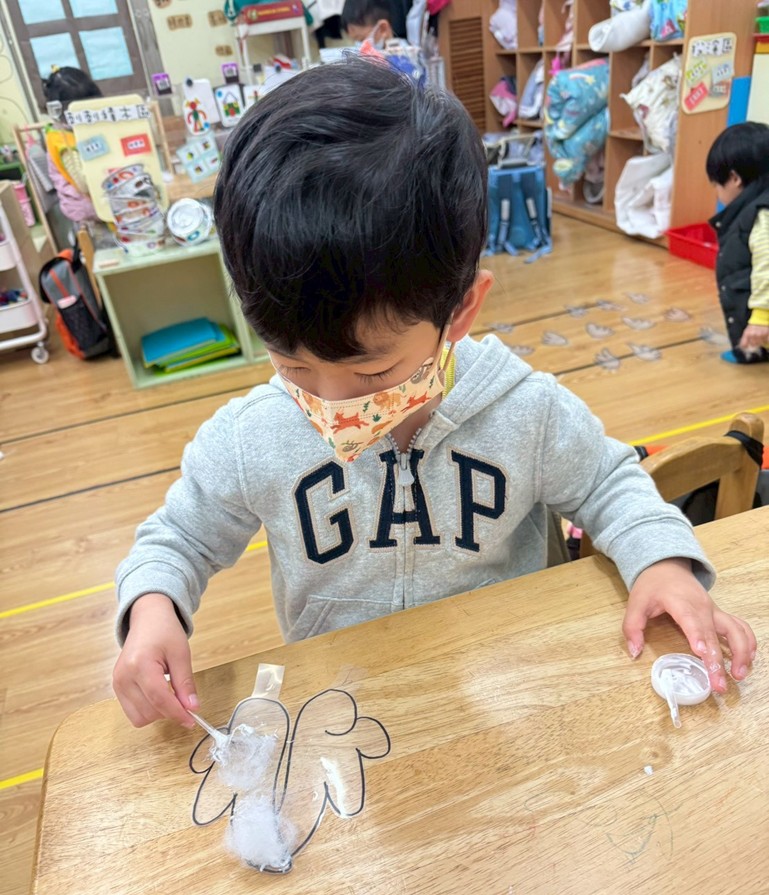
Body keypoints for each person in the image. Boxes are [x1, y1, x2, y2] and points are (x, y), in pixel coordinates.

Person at [112, 58, 755, 729]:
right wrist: (153, 606)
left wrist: (661, 562)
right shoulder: (253, 437)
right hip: (345, 704)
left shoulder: (524, 411)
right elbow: (178, 538)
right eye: (293, 366)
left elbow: (608, 482)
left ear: (461, 310)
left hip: (511, 696)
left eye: (371, 374)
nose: (332, 404)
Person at [706, 121, 769, 364]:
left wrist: (762, 317)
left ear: (734, 179)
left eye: (716, 185)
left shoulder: (762, 214)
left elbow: (766, 266)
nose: (717, 194)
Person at [42, 66, 101, 224]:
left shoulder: (80, 129)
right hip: (85, 208)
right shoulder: (62, 140)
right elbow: (84, 184)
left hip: (95, 198)